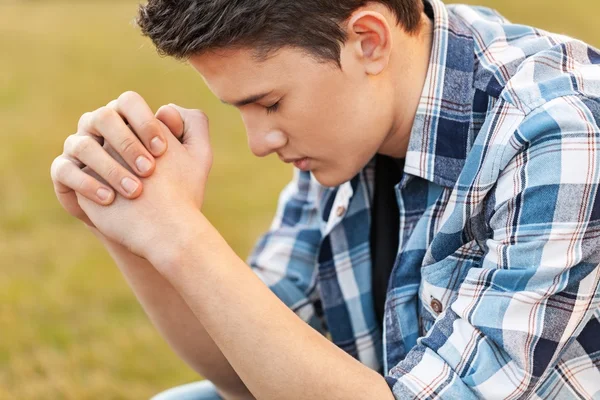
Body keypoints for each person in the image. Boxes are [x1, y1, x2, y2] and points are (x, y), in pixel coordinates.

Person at [50, 0, 600, 398]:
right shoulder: (357, 125)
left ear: (368, 40)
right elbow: (243, 371)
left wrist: (182, 237)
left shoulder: (557, 132)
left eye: (269, 103)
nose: (259, 142)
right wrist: (128, 218)